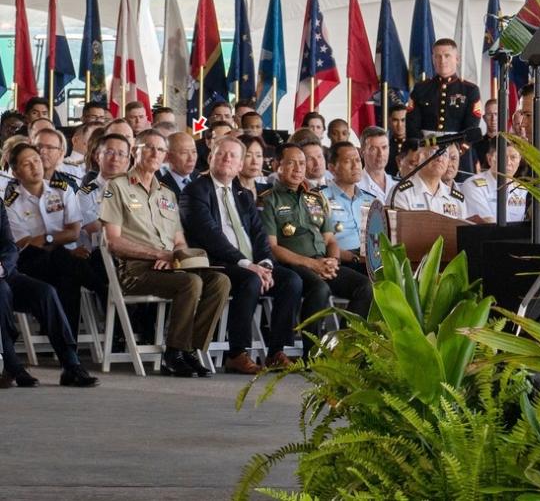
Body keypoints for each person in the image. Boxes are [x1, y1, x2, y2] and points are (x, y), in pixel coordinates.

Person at [100, 129, 231, 377]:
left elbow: (179, 240)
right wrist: (158, 255)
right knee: (191, 283)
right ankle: (174, 353)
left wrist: (178, 259)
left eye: (160, 149)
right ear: (134, 152)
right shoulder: (115, 187)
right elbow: (113, 242)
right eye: (148, 147)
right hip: (134, 270)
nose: (154, 153)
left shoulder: (167, 194)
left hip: (170, 266)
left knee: (220, 281)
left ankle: (191, 350)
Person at [180, 136, 302, 373]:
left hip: (251, 264)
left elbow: (259, 234)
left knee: (291, 281)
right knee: (251, 279)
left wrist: (265, 263)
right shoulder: (195, 190)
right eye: (222, 153)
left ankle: (276, 351)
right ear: (210, 157)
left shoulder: (243, 194)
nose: (227, 158)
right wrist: (247, 264)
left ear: (239, 166)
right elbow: (210, 235)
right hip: (217, 264)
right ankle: (237, 353)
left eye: (233, 155)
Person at [259, 144, 371, 328]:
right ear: (277, 165)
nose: (298, 169)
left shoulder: (315, 199)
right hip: (294, 264)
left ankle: (342, 347)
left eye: (302, 164)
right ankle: (312, 351)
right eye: (291, 163)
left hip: (323, 262)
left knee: (365, 287)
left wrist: (333, 260)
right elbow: (273, 247)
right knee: (320, 288)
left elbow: (330, 240)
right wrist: (312, 264)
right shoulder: (269, 199)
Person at [5, 140, 107, 337]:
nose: (35, 166)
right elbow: (26, 244)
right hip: (29, 263)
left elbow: (74, 232)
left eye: (36, 160)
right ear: (16, 173)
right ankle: (102, 291)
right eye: (27, 164)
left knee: (67, 277)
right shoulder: (11, 203)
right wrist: (57, 242)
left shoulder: (62, 189)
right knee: (65, 260)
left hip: (63, 261)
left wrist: (47, 239)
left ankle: (68, 343)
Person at [0, 200, 99, 388]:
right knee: (1, 291)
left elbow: (9, 246)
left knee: (45, 292)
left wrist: (3, 266)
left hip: (4, 273)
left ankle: (71, 364)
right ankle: (12, 364)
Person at [405, 39, 481, 175]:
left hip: (458, 155)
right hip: (426, 153)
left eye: (447, 56)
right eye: (437, 56)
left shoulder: (470, 90)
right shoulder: (421, 88)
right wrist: (423, 150)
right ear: (433, 59)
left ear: (457, 59)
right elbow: (412, 125)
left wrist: (457, 151)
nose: (442, 60)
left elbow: (472, 127)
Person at [322, 142, 376, 270]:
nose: (355, 165)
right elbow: (319, 242)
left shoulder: (370, 199)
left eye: (358, 160)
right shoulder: (321, 198)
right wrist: (354, 258)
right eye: (347, 161)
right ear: (332, 168)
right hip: (340, 261)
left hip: (369, 259)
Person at [392, 144, 466, 219]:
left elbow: (463, 229)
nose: (440, 158)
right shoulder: (402, 193)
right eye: (434, 152)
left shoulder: (456, 199)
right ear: (419, 157)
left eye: (444, 154)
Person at [462, 141, 526, 223]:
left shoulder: (522, 190)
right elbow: (487, 223)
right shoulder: (473, 185)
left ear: (520, 160)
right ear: (489, 159)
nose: (508, 162)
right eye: (503, 157)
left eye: (513, 157)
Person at [356, 126, 396, 204]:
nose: (380, 154)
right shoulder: (355, 186)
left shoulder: (398, 184)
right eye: (373, 149)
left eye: (384, 148)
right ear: (361, 152)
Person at [158, 132, 199, 199]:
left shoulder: (201, 178)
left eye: (194, 152)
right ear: (168, 156)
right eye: (184, 153)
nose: (191, 158)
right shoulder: (160, 186)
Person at [472, 99, 499, 171]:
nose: (493, 119)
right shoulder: (475, 145)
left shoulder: (509, 144)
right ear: (484, 118)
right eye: (490, 114)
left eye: (496, 114)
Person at [385, 104, 407, 176]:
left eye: (403, 120)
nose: (399, 125)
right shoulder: (384, 147)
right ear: (389, 121)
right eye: (395, 120)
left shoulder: (418, 145)